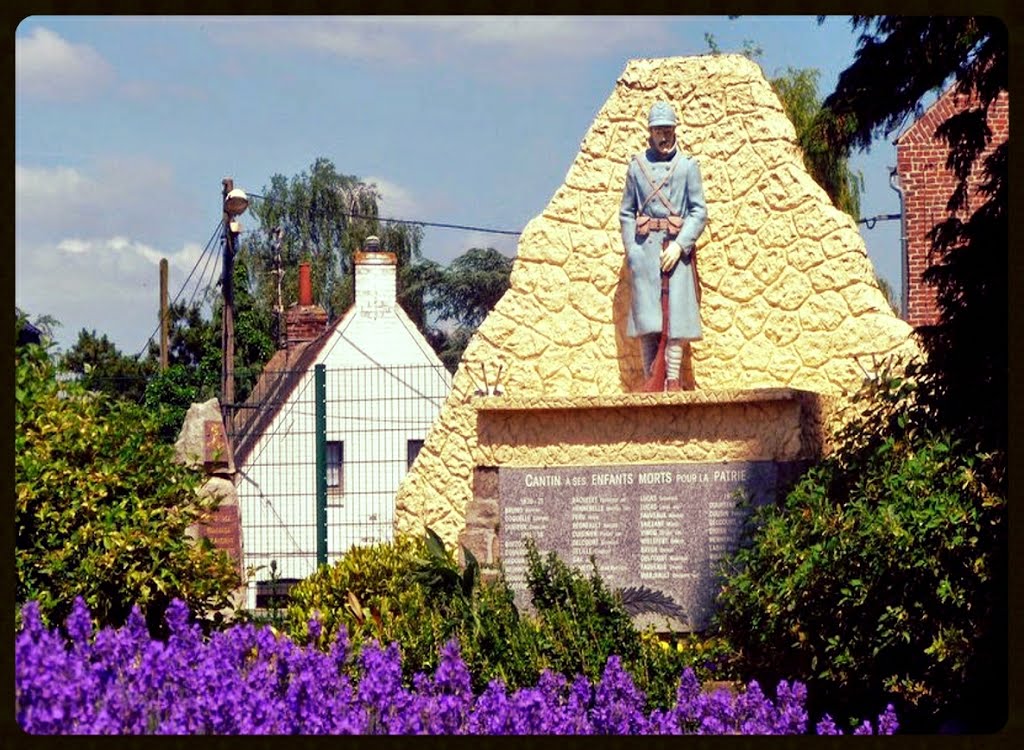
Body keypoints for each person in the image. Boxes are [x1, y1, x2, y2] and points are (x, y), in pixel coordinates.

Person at [619, 100, 708, 391]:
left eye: (669, 129)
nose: (665, 136)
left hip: (674, 253)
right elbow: (626, 212)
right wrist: (632, 250)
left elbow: (698, 211)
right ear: (650, 132)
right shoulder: (637, 168)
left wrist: (681, 245)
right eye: (659, 130)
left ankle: (671, 379)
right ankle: (651, 378)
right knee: (648, 318)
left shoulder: (687, 167)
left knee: (676, 317)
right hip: (645, 253)